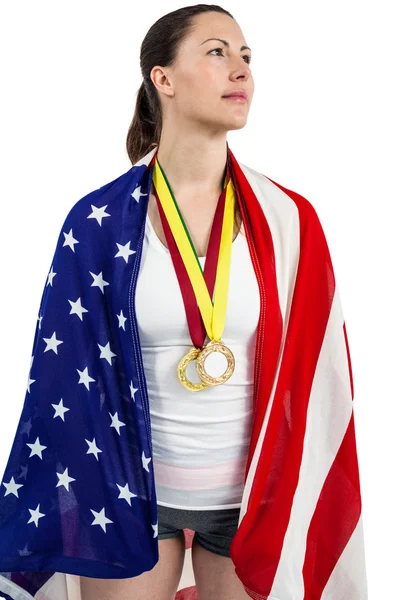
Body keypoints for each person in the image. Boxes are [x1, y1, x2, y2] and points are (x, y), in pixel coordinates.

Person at [0, 4, 368, 600]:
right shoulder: (98, 223)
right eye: (218, 52)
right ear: (162, 79)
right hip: (126, 497)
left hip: (253, 502)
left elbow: (316, 375)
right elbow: (64, 381)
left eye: (247, 57)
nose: (242, 70)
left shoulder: (289, 221)